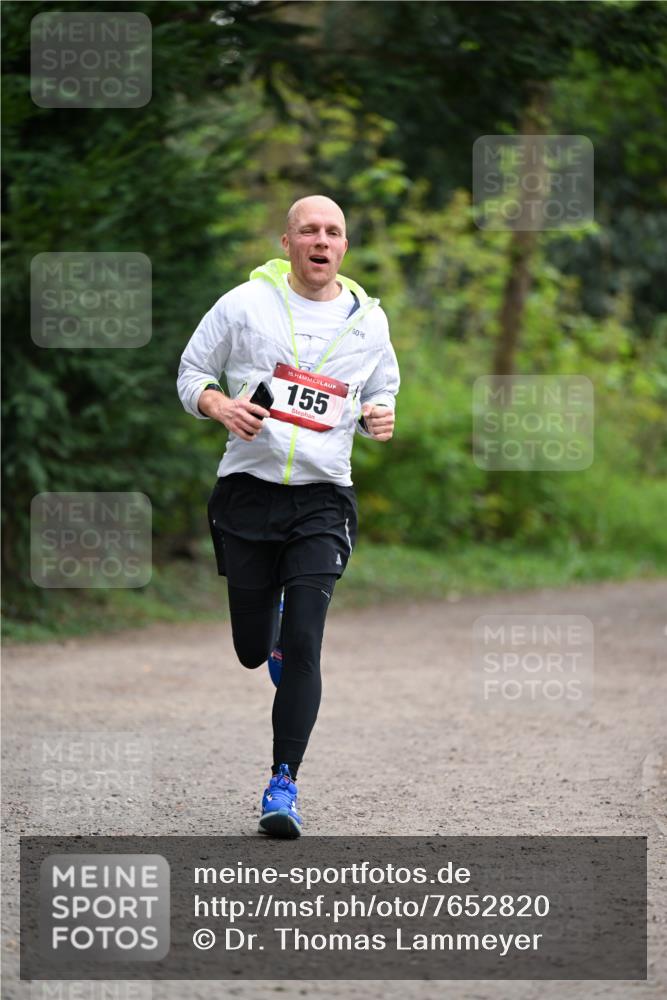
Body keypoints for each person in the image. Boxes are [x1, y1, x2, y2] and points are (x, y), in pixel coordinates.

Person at [177, 195, 399, 838]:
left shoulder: (368, 322)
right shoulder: (243, 305)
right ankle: (265, 632)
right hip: (248, 490)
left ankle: (283, 785)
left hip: (324, 498)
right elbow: (192, 373)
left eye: (333, 232)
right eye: (309, 230)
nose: (320, 241)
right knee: (254, 651)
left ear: (345, 247)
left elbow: (382, 384)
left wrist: (381, 410)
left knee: (306, 641)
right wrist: (219, 407)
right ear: (287, 242)